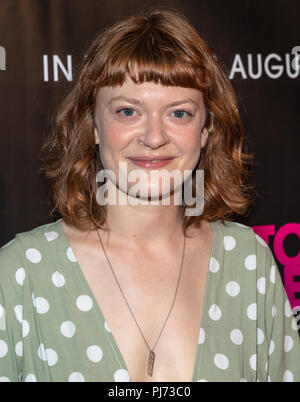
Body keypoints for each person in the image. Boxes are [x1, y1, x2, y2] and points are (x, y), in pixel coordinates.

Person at [0, 7, 299, 383]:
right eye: (128, 111)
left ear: (206, 130)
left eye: (179, 114)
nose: (154, 137)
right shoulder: (21, 274)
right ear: (92, 125)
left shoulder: (249, 262)